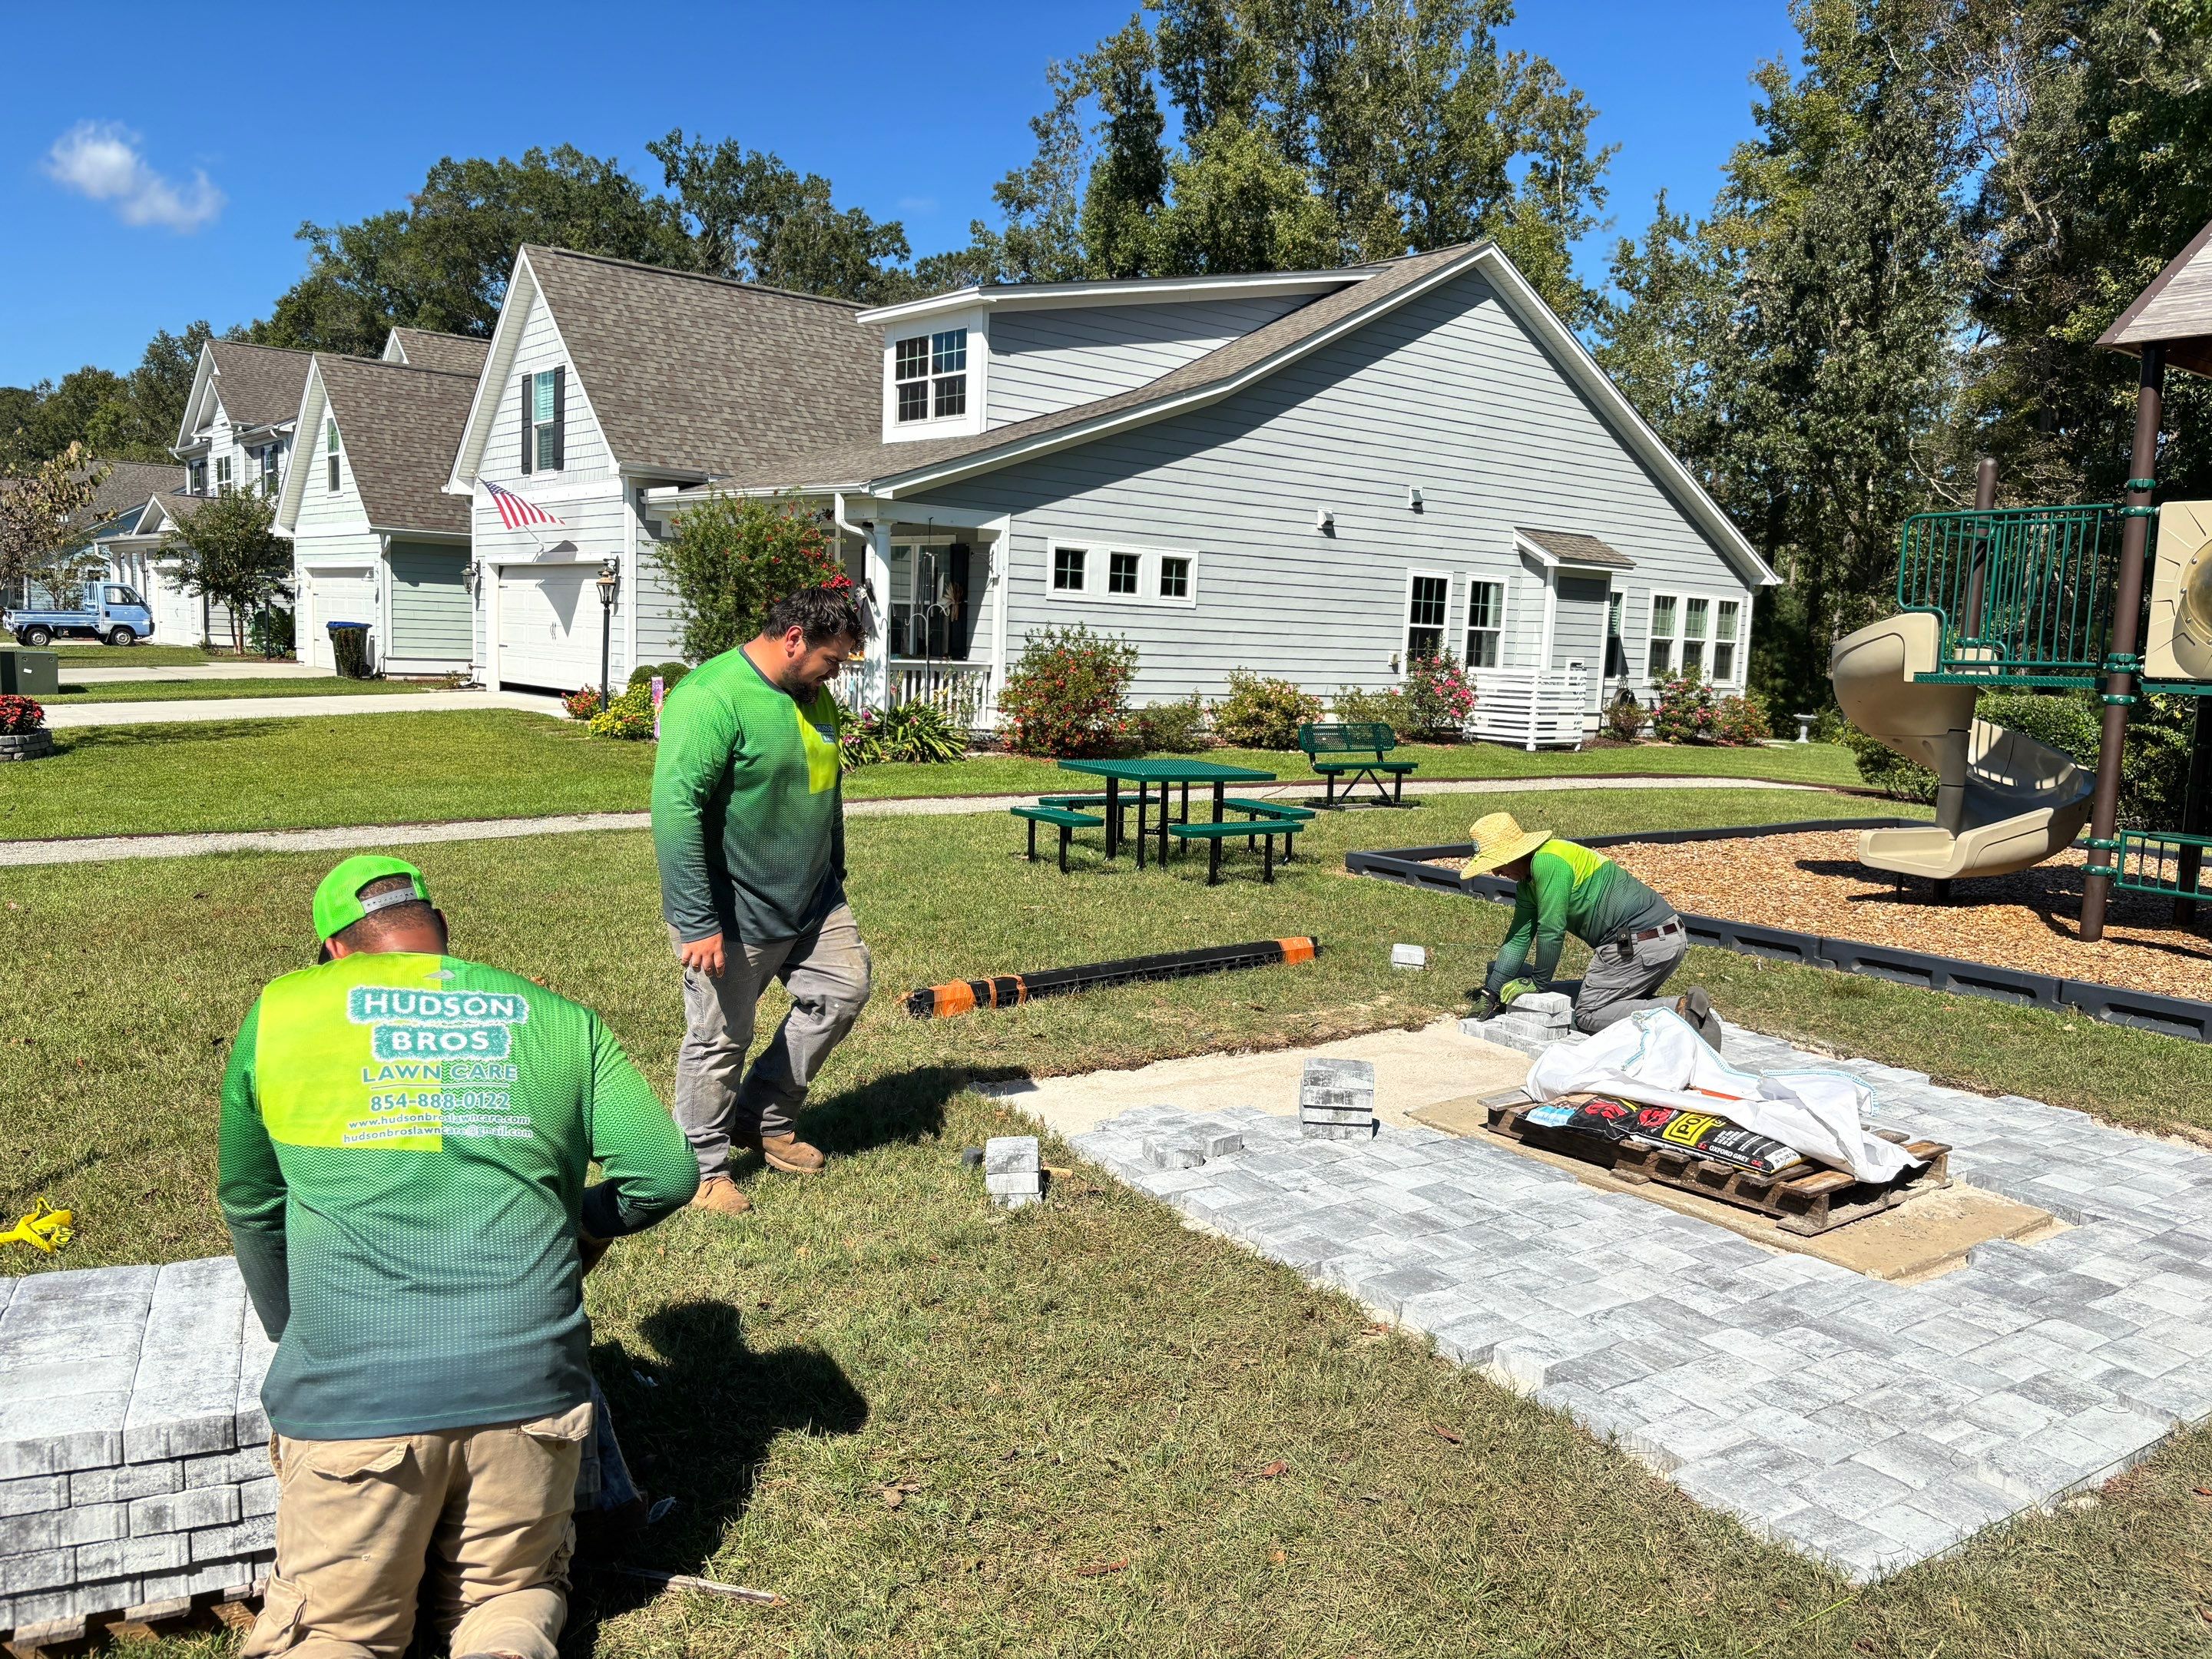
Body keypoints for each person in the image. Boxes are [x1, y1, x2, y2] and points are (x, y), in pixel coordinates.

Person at [219, 855, 698, 1659]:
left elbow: (253, 1203)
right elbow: (667, 1175)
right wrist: (575, 1227)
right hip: (529, 1392)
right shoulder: (557, 1018)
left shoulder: (283, 1014)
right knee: (509, 1601)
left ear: (335, 953)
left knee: (336, 1631)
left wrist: (291, 1327)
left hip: (353, 1405)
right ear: (439, 936)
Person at [653, 584, 876, 1217]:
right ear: (794, 639)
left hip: (811, 899)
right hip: (732, 912)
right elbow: (675, 810)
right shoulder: (712, 697)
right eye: (832, 660)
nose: (836, 674)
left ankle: (763, 1115)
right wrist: (697, 920)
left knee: (843, 990)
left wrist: (832, 862)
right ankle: (701, 1169)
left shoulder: (812, 693)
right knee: (720, 1038)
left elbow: (824, 782)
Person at [1464, 812, 1723, 1046]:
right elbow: (1518, 938)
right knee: (1600, 1001)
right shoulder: (1529, 882)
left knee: (1588, 1014)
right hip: (1661, 939)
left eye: (1499, 863)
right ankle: (1669, 1009)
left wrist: (1538, 982)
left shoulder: (1548, 862)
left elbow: (1551, 930)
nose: (1496, 873)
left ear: (1517, 852)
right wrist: (1492, 991)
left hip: (1639, 943)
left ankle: (1680, 1009)